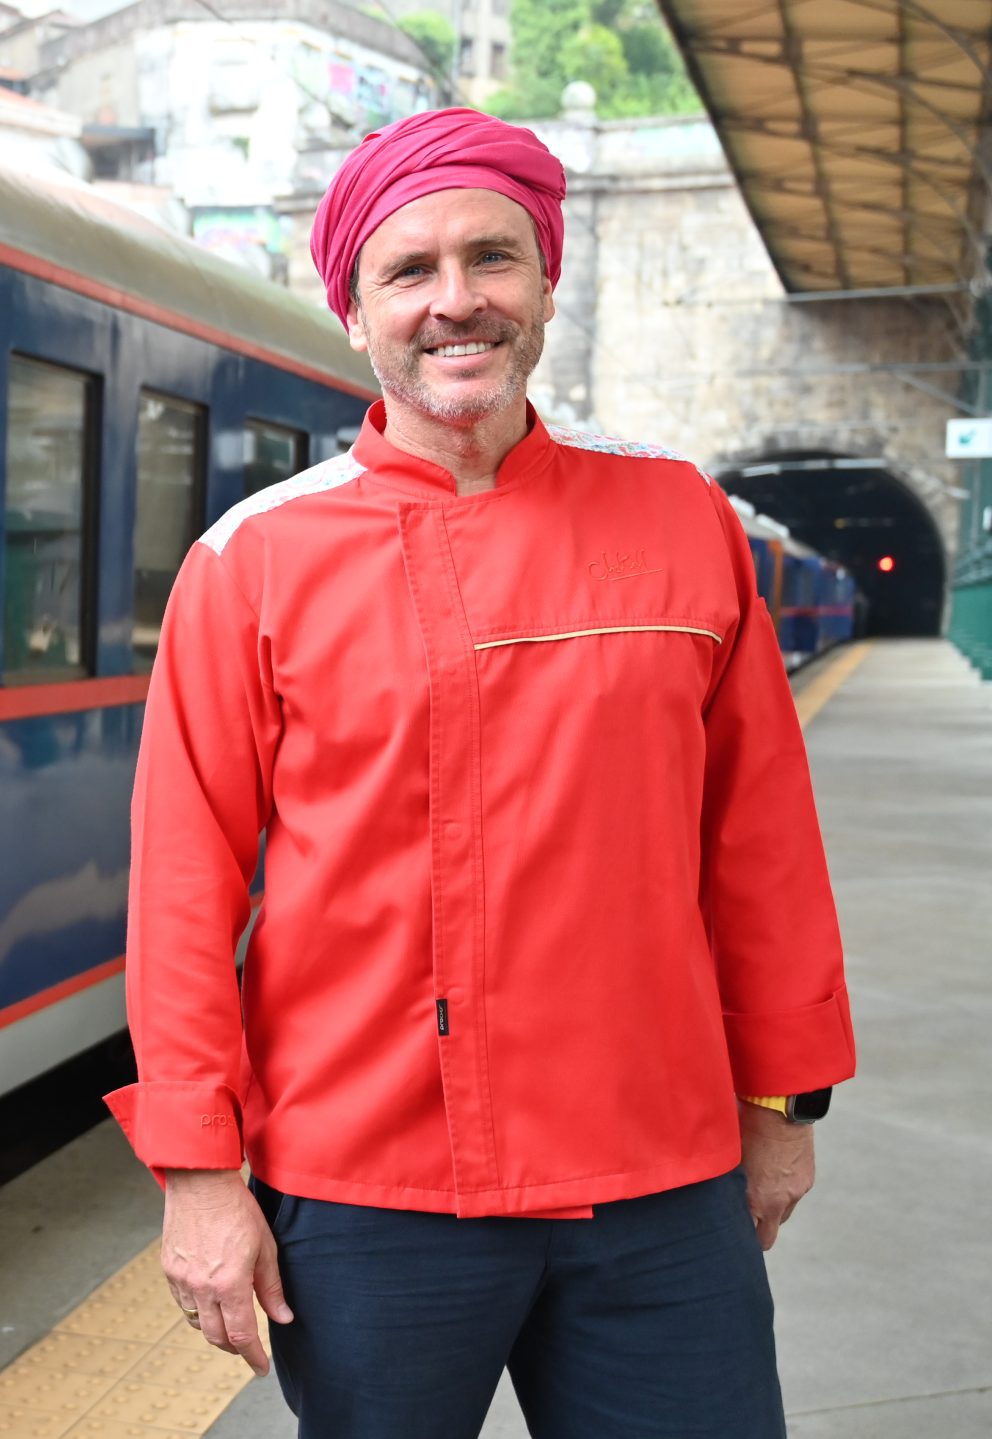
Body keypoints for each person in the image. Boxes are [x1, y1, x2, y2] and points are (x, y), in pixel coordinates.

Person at [105, 108, 854, 1437]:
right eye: (411, 272)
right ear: (354, 314)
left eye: (492, 258)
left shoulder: (677, 516)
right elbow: (181, 890)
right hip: (367, 1189)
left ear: (546, 283)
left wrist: (782, 1107)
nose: (459, 302)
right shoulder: (251, 562)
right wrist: (198, 1172)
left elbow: (761, 842)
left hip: (659, 1176)